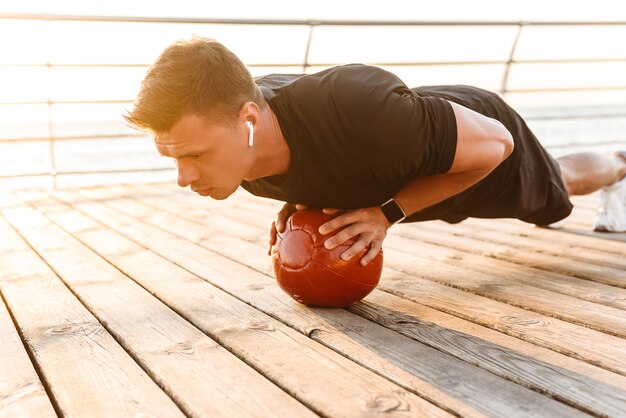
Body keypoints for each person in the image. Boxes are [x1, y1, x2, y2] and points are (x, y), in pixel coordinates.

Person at [124, 37, 626, 266]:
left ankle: (620, 164)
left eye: (195, 155)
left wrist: (388, 213)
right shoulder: (241, 155)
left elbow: (498, 143)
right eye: (173, 159)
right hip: (394, 166)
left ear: (248, 121)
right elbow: (316, 162)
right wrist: (297, 199)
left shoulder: (355, 108)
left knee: (558, 189)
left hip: (470, 151)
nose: (184, 178)